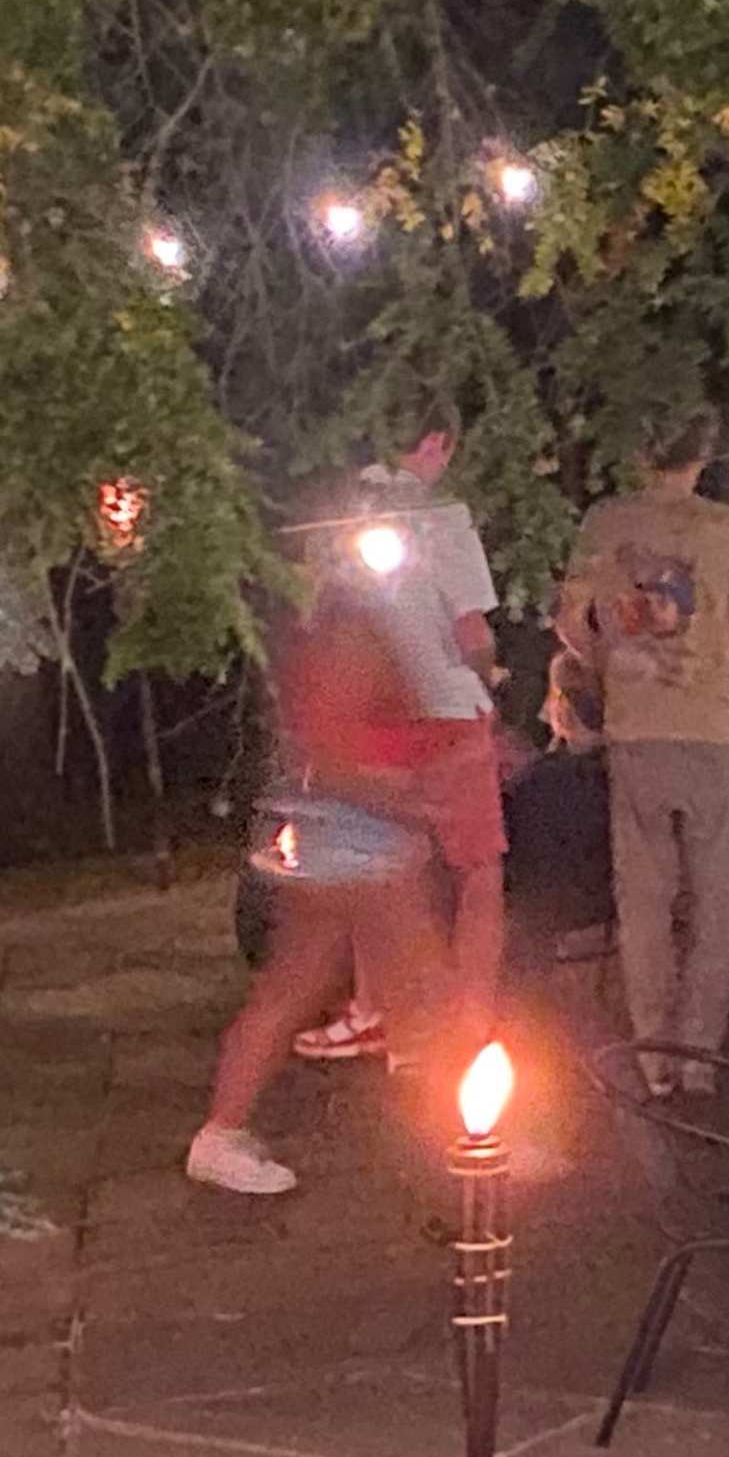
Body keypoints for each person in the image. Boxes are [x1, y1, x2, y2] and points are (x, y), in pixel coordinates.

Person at [189, 569, 468, 1195]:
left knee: (297, 990)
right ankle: (472, 1135)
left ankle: (221, 1134)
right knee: (426, 986)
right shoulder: (353, 646)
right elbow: (337, 763)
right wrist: (419, 805)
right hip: (353, 847)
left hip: (340, 842)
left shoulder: (342, 643)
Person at [555, 413, 729, 1095]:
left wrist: (605, 669)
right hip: (713, 726)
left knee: (643, 893)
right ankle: (699, 1057)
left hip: (636, 725)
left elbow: (572, 623)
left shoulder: (604, 523)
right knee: (713, 893)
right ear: (705, 452)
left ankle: (652, 1055)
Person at [294, 427, 505, 1068]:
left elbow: (314, 618)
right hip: (449, 709)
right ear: (437, 440)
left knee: (380, 865)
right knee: (478, 874)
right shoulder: (442, 517)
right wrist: (493, 680)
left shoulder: (335, 519)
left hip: (370, 721)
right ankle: (470, 1023)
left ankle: (375, 1011)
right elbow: (470, 628)